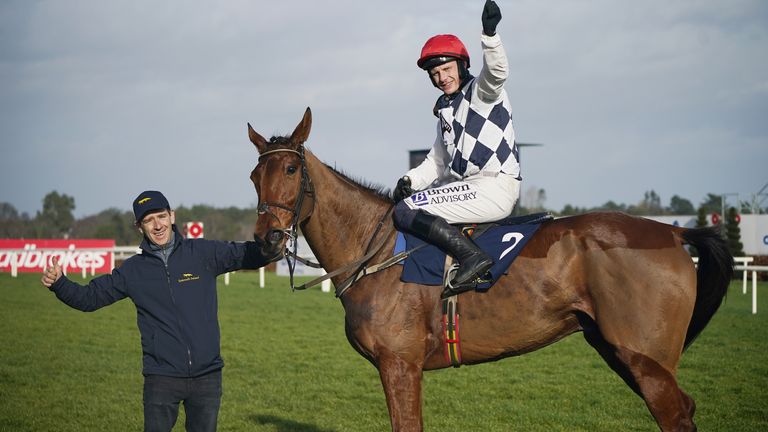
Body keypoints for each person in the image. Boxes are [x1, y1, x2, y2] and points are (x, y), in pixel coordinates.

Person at [41, 190, 271, 432]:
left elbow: (247, 255)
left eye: (161, 216)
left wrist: (274, 243)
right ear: (139, 226)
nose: (157, 225)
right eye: (148, 220)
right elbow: (89, 298)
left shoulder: (203, 253)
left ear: (172, 216)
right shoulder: (132, 271)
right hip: (161, 378)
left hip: (207, 376)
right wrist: (60, 284)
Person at [392, 0, 521, 298]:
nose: (442, 78)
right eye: (435, 74)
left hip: (494, 185)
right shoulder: (445, 112)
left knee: (406, 211)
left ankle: (474, 258)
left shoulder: (482, 92)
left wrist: (490, 37)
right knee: (408, 201)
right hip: (471, 187)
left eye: (447, 69)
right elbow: (437, 162)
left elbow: (498, 72)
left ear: (462, 66)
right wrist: (410, 180)